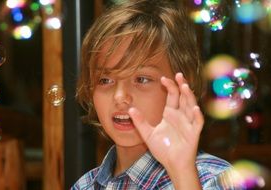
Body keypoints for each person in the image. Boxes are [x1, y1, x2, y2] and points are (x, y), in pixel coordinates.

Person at [71, 0, 238, 189]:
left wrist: (181, 171)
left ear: (182, 84)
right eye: (105, 80)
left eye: (141, 79)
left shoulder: (215, 179)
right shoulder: (84, 186)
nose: (120, 96)